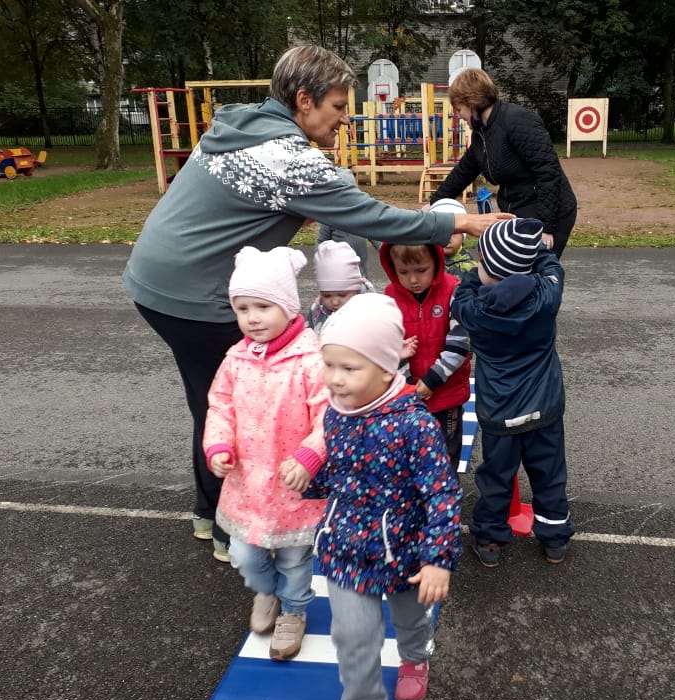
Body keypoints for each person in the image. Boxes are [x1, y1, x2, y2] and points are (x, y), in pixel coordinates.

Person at [122, 44, 512, 562]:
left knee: (214, 399)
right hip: (195, 297)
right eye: (338, 106)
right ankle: (234, 529)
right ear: (304, 101)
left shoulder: (243, 127)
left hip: (157, 280)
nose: (346, 119)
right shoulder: (286, 156)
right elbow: (372, 217)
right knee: (246, 405)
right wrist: (461, 221)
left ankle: (208, 512)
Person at [306, 294, 461, 700]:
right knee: (352, 636)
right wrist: (309, 479)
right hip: (346, 548)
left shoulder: (415, 426)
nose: (335, 378)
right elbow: (340, 476)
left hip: (404, 553)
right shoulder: (336, 414)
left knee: (410, 619)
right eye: (329, 365)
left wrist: (437, 559)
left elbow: (441, 494)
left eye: (349, 368)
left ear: (386, 367)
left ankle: (415, 657)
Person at [203, 246, 328, 660]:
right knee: (244, 552)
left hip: (293, 486)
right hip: (248, 485)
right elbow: (220, 406)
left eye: (263, 307)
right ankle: (266, 591)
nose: (252, 318)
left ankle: (294, 609)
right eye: (243, 308)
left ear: (288, 308)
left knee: (294, 558)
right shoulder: (235, 359)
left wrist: (311, 454)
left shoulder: (311, 360)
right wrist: (218, 444)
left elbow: (329, 414)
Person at [449, 218, 576, 568]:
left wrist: (477, 273)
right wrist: (534, 248)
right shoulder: (547, 296)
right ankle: (555, 538)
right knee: (549, 475)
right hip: (545, 407)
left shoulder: (473, 309)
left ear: (485, 266)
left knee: (497, 477)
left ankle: (489, 538)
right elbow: (552, 267)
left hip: (499, 413)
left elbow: (463, 290)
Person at [430, 67, 578, 260]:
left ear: (471, 102)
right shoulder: (481, 134)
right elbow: (463, 172)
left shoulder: (518, 121)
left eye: (459, 109)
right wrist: (433, 206)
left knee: (536, 272)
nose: (459, 116)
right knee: (510, 270)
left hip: (550, 212)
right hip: (519, 211)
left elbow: (548, 172)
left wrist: (545, 227)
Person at [378, 238, 471, 471]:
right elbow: (387, 344)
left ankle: (446, 493)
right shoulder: (390, 297)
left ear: (436, 262)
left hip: (446, 393)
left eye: (421, 270)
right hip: (407, 395)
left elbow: (460, 343)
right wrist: (408, 385)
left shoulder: (453, 290)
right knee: (409, 454)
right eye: (403, 272)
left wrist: (432, 380)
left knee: (445, 455)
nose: (413, 280)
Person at [316, 166, 379, 277]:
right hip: (336, 275)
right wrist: (320, 265)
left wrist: (388, 253)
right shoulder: (329, 218)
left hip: (360, 274)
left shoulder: (362, 216)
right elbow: (321, 243)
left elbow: (377, 238)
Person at [305, 240, 376, 333]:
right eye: (327, 295)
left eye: (342, 295)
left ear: (357, 290)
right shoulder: (317, 310)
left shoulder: (370, 311)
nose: (335, 302)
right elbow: (307, 334)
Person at [428, 198, 478, 279]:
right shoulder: (422, 264)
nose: (447, 238)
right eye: (441, 231)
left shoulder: (472, 269)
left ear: (463, 236)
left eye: (454, 232)